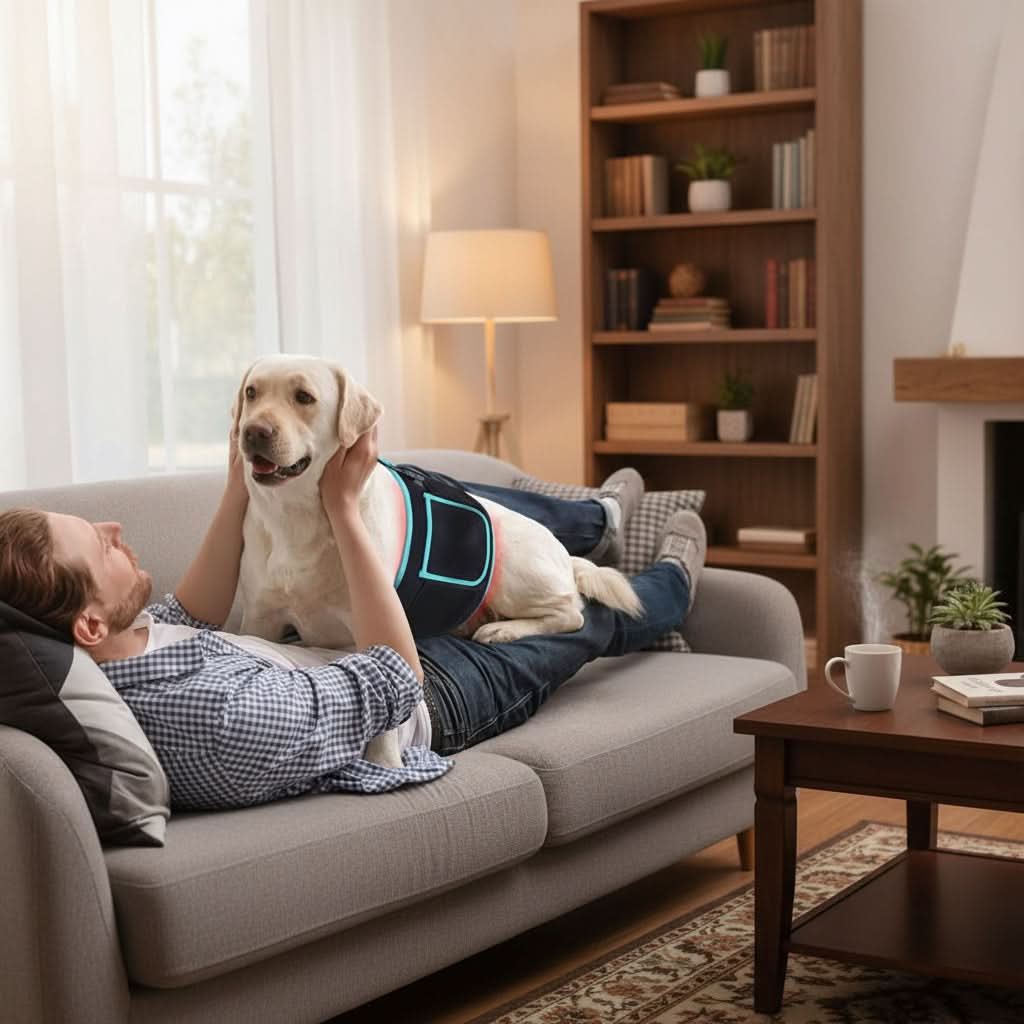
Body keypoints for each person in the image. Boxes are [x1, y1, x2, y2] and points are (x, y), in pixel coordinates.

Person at [0, 431, 706, 812]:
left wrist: (238, 486)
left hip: (345, 653)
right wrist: (342, 514)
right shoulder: (215, 718)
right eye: (98, 543)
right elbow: (394, 678)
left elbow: (195, 613)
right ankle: (667, 590)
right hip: (427, 698)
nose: (114, 526)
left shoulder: (116, 650)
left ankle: (595, 522)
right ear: (88, 623)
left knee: (422, 494)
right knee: (576, 626)